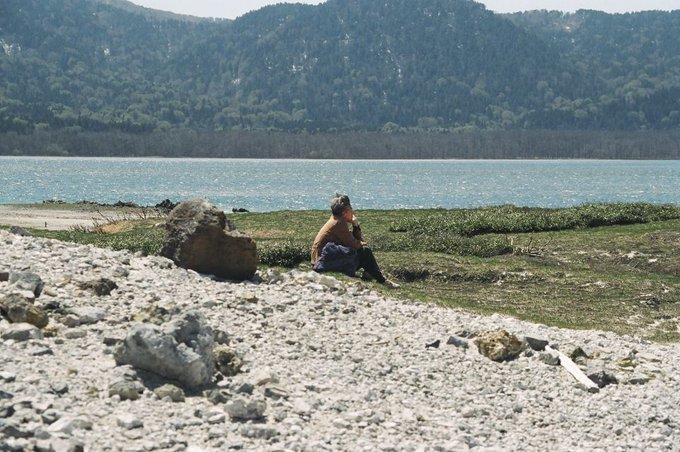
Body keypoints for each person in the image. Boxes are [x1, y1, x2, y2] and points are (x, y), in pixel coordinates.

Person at [311, 194, 399, 288]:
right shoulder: (338, 223)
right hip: (323, 262)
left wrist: (355, 226)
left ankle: (370, 274)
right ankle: (382, 280)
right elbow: (355, 244)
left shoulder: (336, 220)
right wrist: (361, 240)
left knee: (363, 252)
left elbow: (354, 240)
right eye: (351, 208)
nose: (353, 211)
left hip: (323, 260)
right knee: (365, 252)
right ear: (345, 211)